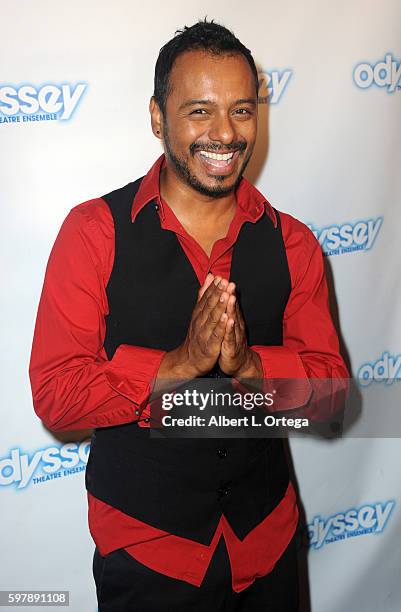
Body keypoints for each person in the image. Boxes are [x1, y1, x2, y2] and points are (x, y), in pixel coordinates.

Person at [29, 19, 348, 612]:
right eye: (200, 110)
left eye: (242, 110)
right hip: (148, 557)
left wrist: (252, 366)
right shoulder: (93, 233)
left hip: (267, 548)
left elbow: (331, 397)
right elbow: (56, 397)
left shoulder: (294, 243)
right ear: (158, 117)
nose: (225, 132)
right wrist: (176, 365)